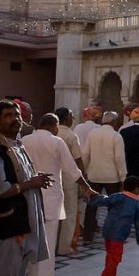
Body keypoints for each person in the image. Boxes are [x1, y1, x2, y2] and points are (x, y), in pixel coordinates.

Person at [0, 99, 52, 276]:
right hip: (7, 228)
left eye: (17, 115)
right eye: (8, 115)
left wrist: (35, 181)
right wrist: (29, 184)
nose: (15, 119)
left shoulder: (17, 146)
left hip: (22, 226)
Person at [22, 113, 96, 276]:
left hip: (28, 196)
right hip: (50, 196)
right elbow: (72, 170)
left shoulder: (25, 140)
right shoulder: (56, 142)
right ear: (54, 126)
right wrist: (87, 188)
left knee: (31, 240)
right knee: (47, 241)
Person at [87, 176, 139, 276]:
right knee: (115, 258)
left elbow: (104, 200)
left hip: (107, 231)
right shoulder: (138, 206)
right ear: (136, 189)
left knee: (110, 255)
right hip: (119, 235)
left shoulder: (117, 197)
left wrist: (93, 198)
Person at [82, 111, 127, 242]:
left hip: (94, 175)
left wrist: (84, 171)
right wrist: (123, 177)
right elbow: (119, 158)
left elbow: (85, 154)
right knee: (114, 207)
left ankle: (87, 236)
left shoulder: (93, 134)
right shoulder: (116, 136)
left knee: (91, 208)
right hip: (111, 177)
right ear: (113, 122)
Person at [55, 107, 86, 256]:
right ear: (67, 118)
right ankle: (65, 246)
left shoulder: (53, 133)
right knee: (69, 211)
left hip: (54, 177)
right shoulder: (70, 136)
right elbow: (78, 160)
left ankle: (53, 245)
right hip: (69, 178)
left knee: (54, 213)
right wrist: (83, 181)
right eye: (72, 117)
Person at [120, 106, 139, 209]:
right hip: (138, 166)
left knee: (128, 191)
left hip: (126, 166)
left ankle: (129, 210)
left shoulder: (123, 131)